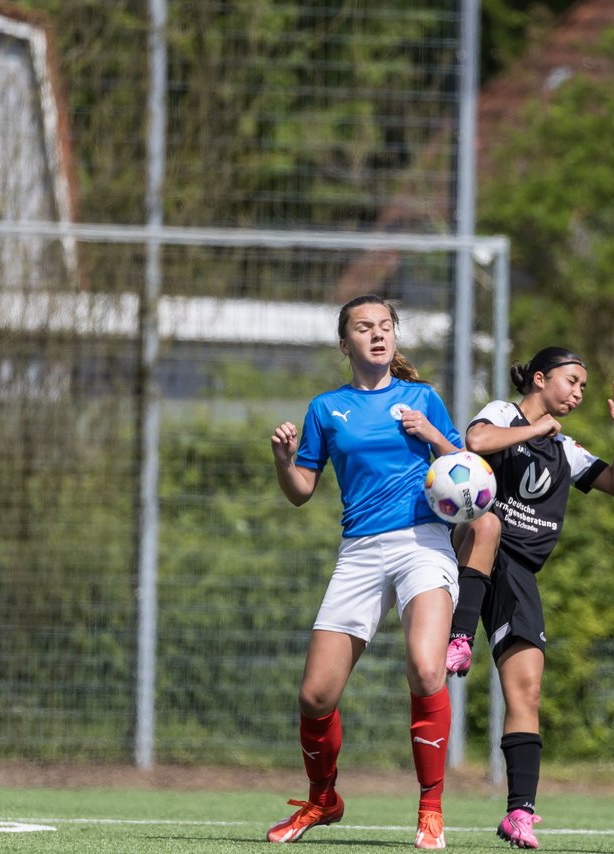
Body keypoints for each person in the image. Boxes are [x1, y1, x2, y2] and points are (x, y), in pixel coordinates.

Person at [266, 294, 462, 850]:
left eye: (385, 327)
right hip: (359, 551)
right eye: (363, 328)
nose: (377, 335)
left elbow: (467, 472)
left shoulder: (422, 398)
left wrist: (435, 437)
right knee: (315, 696)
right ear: (345, 343)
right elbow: (302, 492)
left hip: (423, 543)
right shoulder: (327, 409)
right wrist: (283, 461)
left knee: (426, 671)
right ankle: (323, 798)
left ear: (395, 337)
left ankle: (430, 809)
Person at [443, 346, 614, 849]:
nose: (577, 393)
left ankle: (519, 814)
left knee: (527, 691)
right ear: (538, 378)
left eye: (583, 387)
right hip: (473, 549)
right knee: (487, 522)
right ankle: (459, 637)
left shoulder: (564, 448)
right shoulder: (505, 415)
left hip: (519, 576)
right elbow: (477, 439)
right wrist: (537, 429)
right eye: (571, 381)